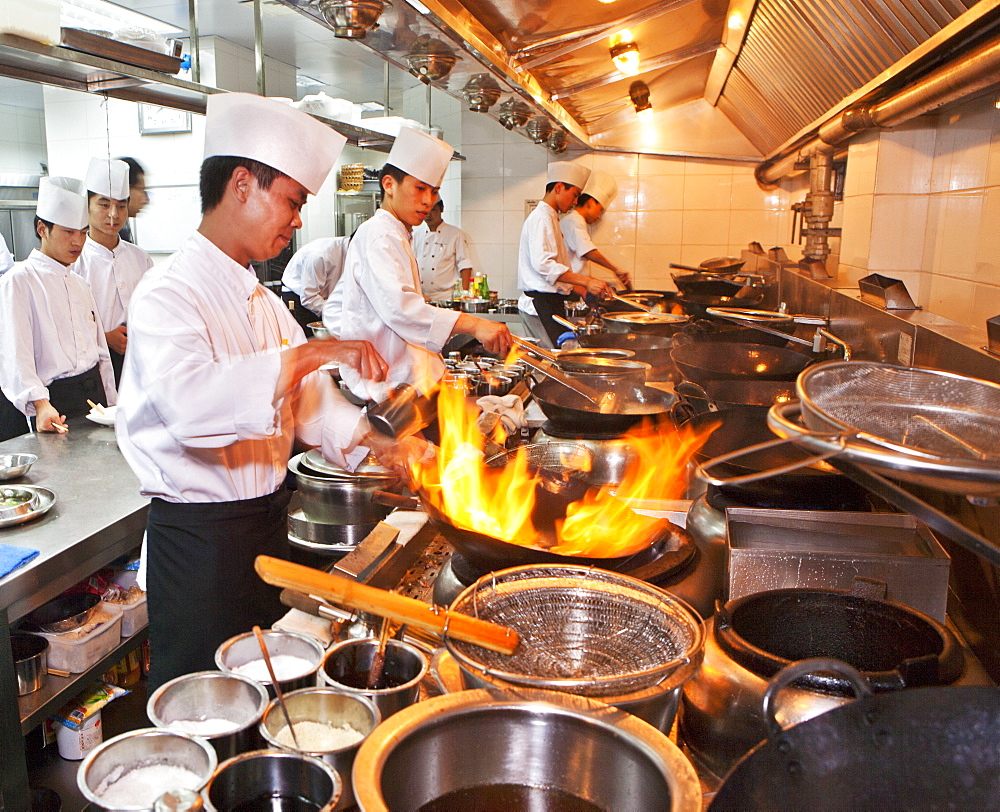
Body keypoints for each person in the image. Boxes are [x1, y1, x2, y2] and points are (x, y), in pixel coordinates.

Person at [115, 93, 418, 691]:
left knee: (270, 697)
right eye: (293, 201)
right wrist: (311, 351)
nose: (298, 220)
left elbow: (305, 403)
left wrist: (380, 445)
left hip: (265, 528)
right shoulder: (167, 293)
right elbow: (192, 408)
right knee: (207, 707)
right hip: (200, 549)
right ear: (243, 184)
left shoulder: (264, 301)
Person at [338, 127, 512, 403]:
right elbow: (402, 310)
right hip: (387, 389)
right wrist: (474, 324)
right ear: (388, 185)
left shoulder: (399, 233)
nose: (428, 201)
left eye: (433, 192)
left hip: (405, 382)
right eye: (420, 188)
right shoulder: (379, 235)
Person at [0, 177, 116, 441]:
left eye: (83, 233)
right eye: (68, 232)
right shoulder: (18, 281)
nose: (78, 241)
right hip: (54, 404)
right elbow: (14, 355)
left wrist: (112, 401)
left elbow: (101, 353)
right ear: (42, 228)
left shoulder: (79, 283)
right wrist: (40, 405)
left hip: (94, 397)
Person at [74, 157, 154, 384]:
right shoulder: (76, 262)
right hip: (95, 367)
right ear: (87, 205)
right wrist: (105, 337)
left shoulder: (140, 258)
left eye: (120, 206)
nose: (113, 214)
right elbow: (68, 325)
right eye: (104, 204)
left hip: (141, 361)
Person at [517, 162, 614, 347]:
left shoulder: (552, 217)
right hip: (540, 306)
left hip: (550, 303)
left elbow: (554, 267)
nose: (576, 201)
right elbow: (544, 265)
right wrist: (586, 282)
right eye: (575, 194)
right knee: (548, 363)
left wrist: (579, 287)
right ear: (559, 188)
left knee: (555, 359)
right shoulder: (541, 218)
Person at [560, 170, 631, 291]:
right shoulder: (573, 220)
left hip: (573, 287)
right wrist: (615, 269)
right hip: (568, 289)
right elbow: (588, 251)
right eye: (600, 210)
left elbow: (579, 266)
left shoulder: (576, 221)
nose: (599, 216)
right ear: (591, 203)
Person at [281, 235, 350, 328]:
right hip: (297, 296)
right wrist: (335, 313)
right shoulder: (321, 254)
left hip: (322, 299)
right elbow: (309, 298)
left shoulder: (357, 254)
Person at [411, 198, 474, 301]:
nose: (429, 214)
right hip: (422, 297)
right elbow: (411, 265)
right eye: (426, 210)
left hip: (446, 297)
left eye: (433, 210)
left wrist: (464, 294)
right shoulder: (416, 235)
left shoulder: (455, 234)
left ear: (441, 209)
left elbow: (465, 264)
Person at [116, 157, 149, 244]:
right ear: (126, 189)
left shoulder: (121, 227)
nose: (146, 200)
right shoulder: (107, 233)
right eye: (141, 189)